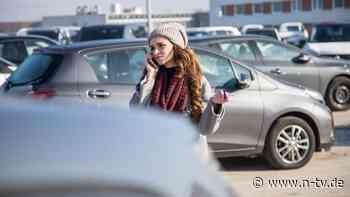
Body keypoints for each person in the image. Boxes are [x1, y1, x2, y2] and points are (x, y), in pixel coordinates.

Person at [130, 23, 228, 156]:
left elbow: (204, 129)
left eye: (161, 46)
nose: (155, 52)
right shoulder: (150, 79)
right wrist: (149, 78)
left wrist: (215, 105)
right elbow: (136, 114)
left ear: (176, 47)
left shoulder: (196, 80)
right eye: (152, 48)